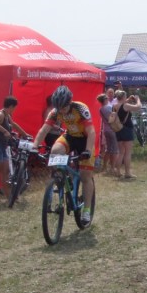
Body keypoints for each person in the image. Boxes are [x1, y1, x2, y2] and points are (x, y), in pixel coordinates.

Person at [33, 85, 97, 224]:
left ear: (70, 102)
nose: (61, 110)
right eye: (58, 107)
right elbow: (44, 130)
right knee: (55, 151)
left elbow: (91, 131)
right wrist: (34, 146)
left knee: (85, 175)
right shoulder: (55, 112)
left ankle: (86, 210)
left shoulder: (81, 108)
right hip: (71, 136)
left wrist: (87, 150)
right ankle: (61, 178)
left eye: (63, 107)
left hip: (85, 139)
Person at [0, 96, 28, 205]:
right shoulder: (0, 114)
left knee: (5, 171)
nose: (15, 110)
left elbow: (14, 124)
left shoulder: (7, 115)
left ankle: (9, 197)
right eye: (15, 108)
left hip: (2, 146)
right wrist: (4, 131)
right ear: (11, 106)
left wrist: (25, 134)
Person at [113, 89, 142, 179]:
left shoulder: (114, 106)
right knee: (128, 152)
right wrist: (138, 99)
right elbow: (138, 107)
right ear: (123, 97)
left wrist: (128, 99)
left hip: (118, 129)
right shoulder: (125, 106)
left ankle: (117, 171)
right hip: (127, 129)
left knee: (121, 152)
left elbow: (122, 105)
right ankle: (127, 172)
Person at [96, 92, 120, 177]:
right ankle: (112, 168)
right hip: (113, 130)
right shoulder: (109, 107)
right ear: (105, 99)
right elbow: (115, 117)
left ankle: (104, 166)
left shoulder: (101, 109)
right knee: (114, 149)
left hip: (106, 129)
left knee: (108, 149)